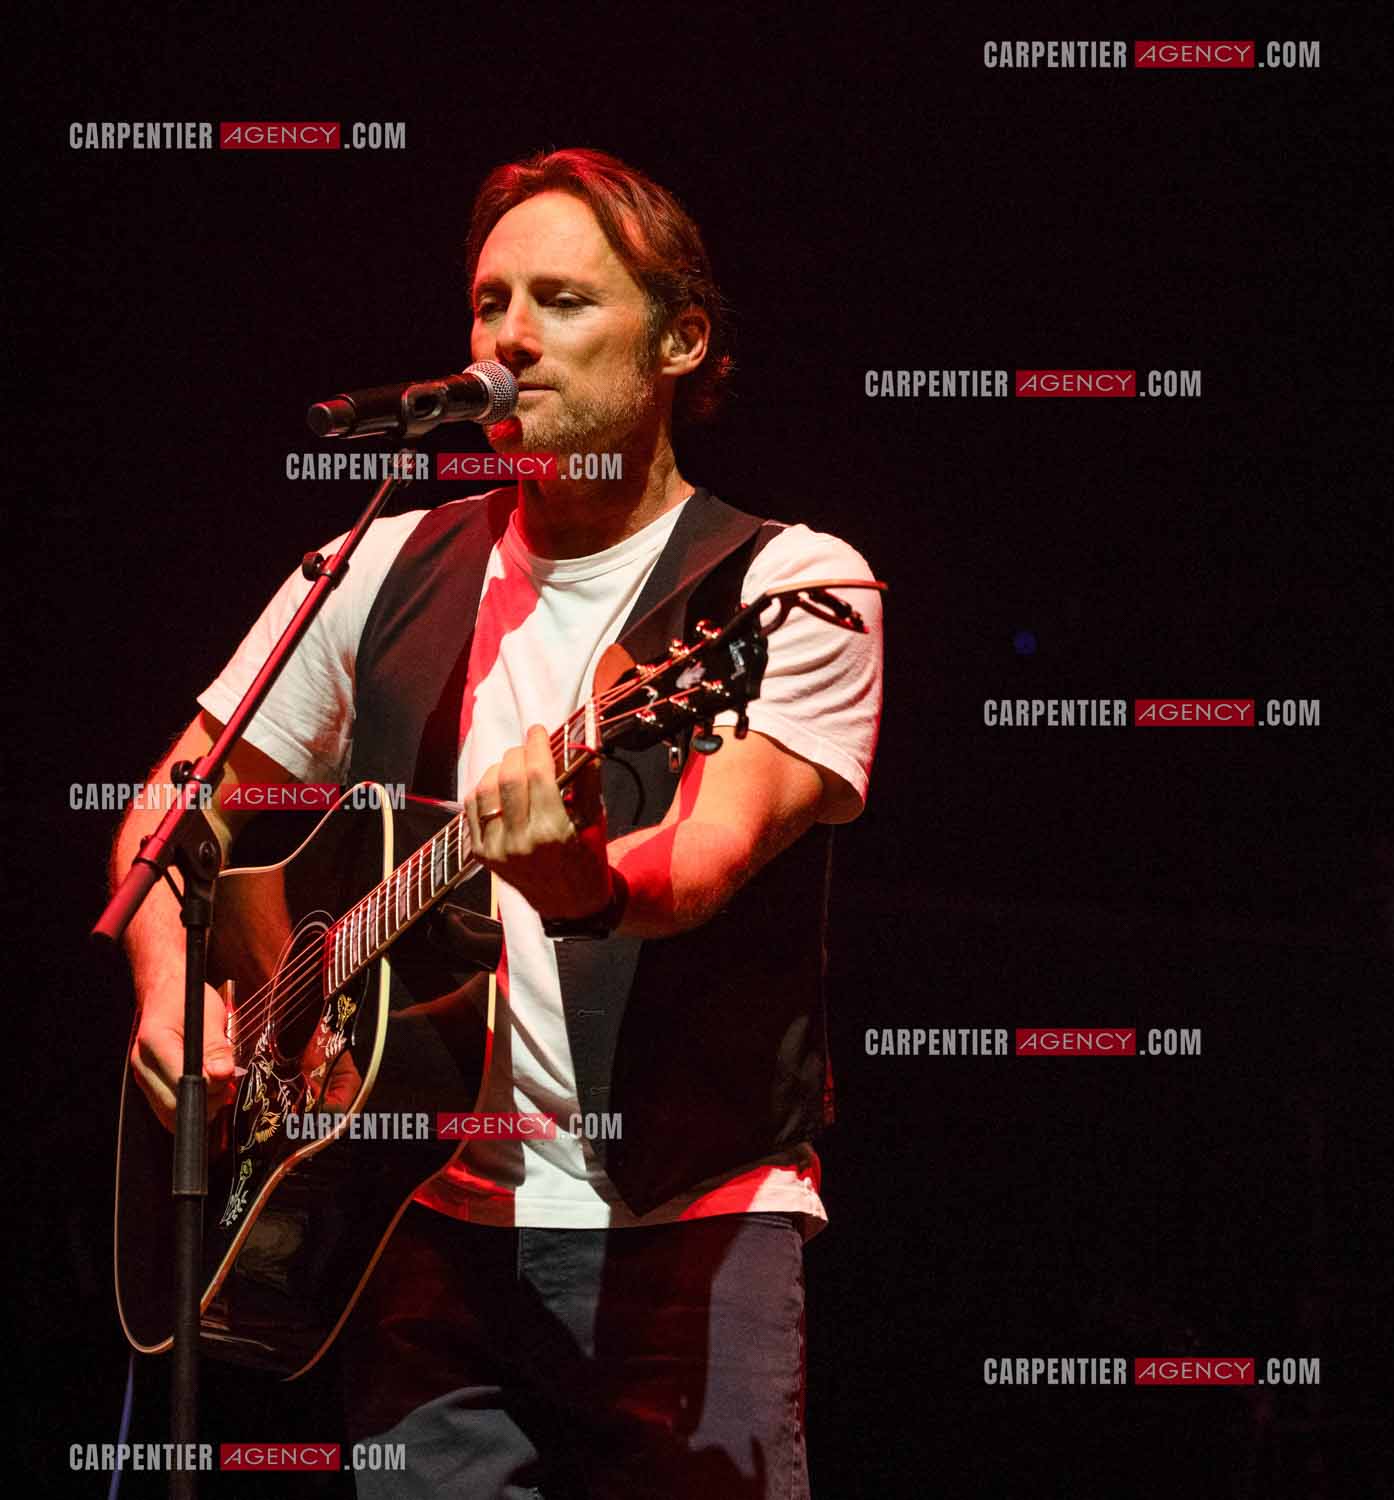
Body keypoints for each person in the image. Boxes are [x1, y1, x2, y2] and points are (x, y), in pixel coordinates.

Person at [113, 147, 882, 1498]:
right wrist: (177, 995)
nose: (511, 340)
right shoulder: (382, 564)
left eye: (565, 303)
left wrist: (575, 875)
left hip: (685, 1231)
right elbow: (171, 814)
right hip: (419, 1227)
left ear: (679, 342)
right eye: (488, 304)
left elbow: (696, 865)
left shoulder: (788, 588)